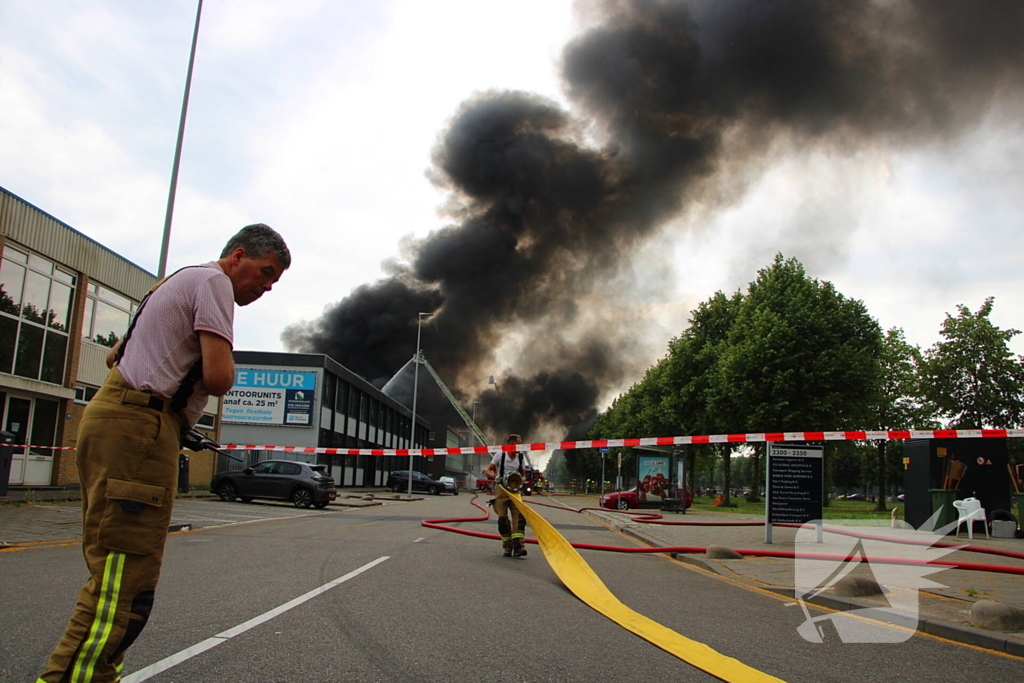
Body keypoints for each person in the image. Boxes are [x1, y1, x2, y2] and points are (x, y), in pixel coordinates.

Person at [37, 224, 290, 683]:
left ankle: (96, 673)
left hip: (120, 417)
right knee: (125, 581)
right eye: (265, 272)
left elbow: (117, 355)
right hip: (139, 430)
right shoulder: (215, 284)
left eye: (274, 282)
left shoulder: (176, 280)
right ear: (237, 256)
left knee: (114, 568)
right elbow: (218, 378)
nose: (266, 286)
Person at [484, 434, 530, 558]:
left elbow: (523, 474)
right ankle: (507, 545)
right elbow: (487, 470)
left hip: (515, 490)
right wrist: (495, 477)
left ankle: (519, 545)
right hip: (501, 489)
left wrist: (522, 479)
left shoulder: (521, 457)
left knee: (519, 517)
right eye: (518, 444)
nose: (520, 447)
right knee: (502, 519)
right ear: (511, 444)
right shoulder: (500, 455)